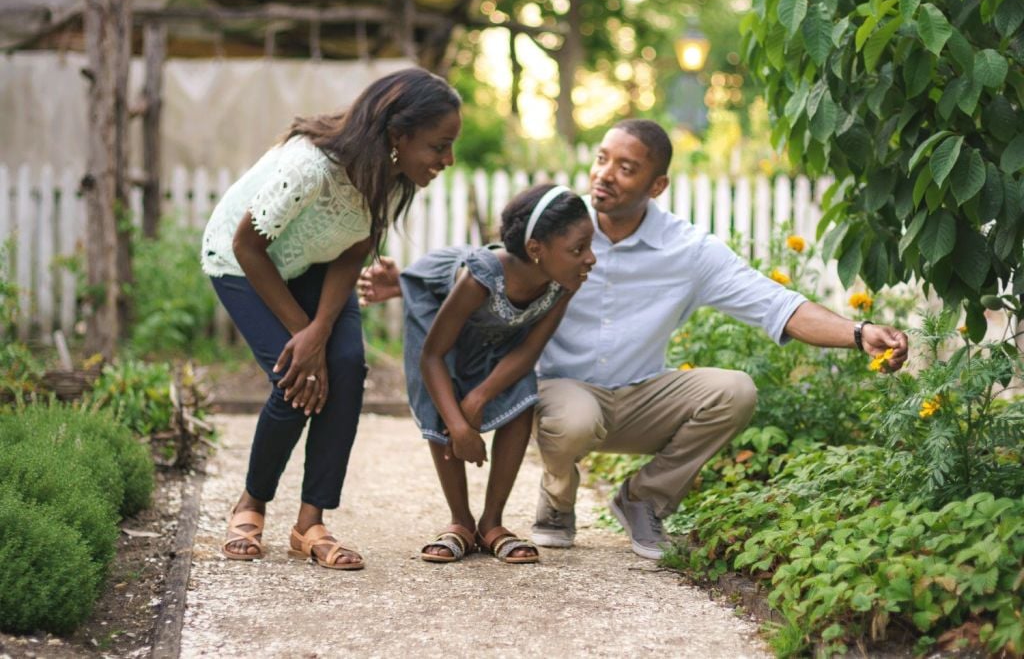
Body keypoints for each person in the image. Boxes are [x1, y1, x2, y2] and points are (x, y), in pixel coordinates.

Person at [358, 119, 909, 562]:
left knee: (735, 389)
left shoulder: (687, 250)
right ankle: (556, 497)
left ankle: (643, 499)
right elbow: (488, 276)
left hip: (642, 394)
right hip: (561, 396)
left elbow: (776, 304)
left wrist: (857, 331)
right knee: (570, 414)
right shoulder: (561, 229)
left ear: (656, 185)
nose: (605, 175)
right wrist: (404, 283)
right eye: (602, 159)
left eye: (626, 168)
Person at [201, 67, 461, 570]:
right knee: (297, 377)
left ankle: (310, 524)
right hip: (244, 263)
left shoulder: (392, 174)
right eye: (439, 146)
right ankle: (250, 505)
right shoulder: (310, 167)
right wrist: (305, 337)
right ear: (398, 135)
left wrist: (320, 329)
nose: (446, 160)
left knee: (344, 367)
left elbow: (353, 250)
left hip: (317, 264)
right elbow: (247, 245)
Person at [402, 184, 596, 564]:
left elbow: (528, 351)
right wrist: (460, 426)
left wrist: (480, 397)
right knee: (446, 398)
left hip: (496, 332)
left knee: (519, 390)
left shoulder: (564, 280)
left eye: (590, 246)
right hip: (439, 318)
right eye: (578, 249)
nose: (591, 259)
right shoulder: (481, 278)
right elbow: (433, 356)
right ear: (537, 249)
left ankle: (492, 523)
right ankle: (460, 522)